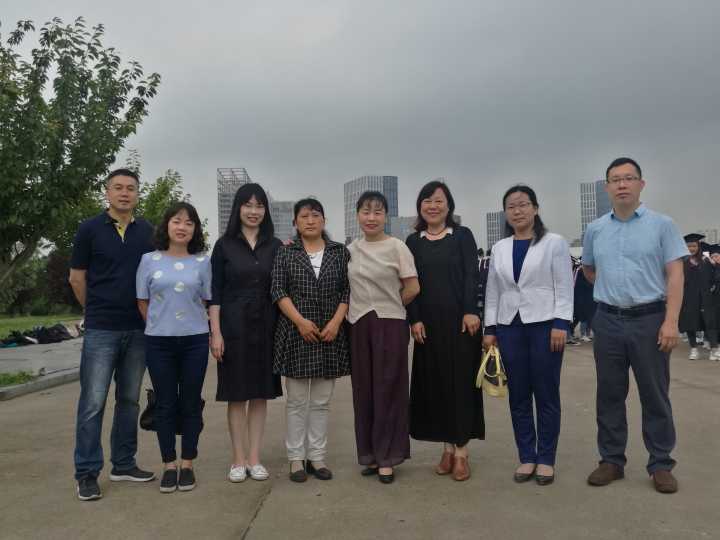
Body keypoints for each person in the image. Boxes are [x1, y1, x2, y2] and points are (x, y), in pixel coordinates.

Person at [582, 157, 688, 494]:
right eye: (615, 179)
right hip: (608, 321)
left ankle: (661, 463)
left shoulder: (662, 225)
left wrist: (670, 321)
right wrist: (612, 291)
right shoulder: (596, 229)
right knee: (609, 394)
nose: (622, 184)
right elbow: (588, 269)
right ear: (607, 187)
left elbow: (675, 274)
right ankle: (611, 459)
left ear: (642, 184)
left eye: (629, 178)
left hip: (649, 320)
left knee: (654, 394)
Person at [69, 168, 156, 501]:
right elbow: (77, 278)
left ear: (137, 194)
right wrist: (94, 310)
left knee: (129, 401)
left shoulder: (147, 232)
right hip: (101, 330)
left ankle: (124, 463)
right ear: (107, 192)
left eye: (130, 188)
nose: (124, 193)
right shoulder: (89, 229)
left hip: (138, 329)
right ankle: (86, 472)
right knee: (93, 402)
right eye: (117, 187)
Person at [483, 185, 573, 486]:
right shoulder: (500, 248)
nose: (517, 211)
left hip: (545, 326)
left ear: (535, 208)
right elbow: (493, 291)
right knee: (519, 395)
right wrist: (490, 328)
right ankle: (526, 456)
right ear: (505, 213)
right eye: (511, 206)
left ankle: (546, 458)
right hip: (510, 326)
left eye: (523, 204)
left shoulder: (553, 242)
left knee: (546, 393)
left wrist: (561, 322)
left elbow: (564, 285)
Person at [406, 180, 484, 482]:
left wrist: (470, 310)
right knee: (437, 385)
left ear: (448, 205)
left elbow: (471, 275)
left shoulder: (462, 236)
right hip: (428, 326)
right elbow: (409, 283)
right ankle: (447, 448)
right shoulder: (413, 241)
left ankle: (462, 452)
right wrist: (414, 319)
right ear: (420, 207)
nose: (433, 206)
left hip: (461, 323)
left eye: (438, 200)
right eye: (427, 201)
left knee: (460, 385)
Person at [271, 198, 351, 482]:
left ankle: (317, 457)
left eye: (315, 215)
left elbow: (347, 290)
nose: (310, 220)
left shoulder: (339, 252)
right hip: (296, 332)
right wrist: (300, 321)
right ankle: (296, 458)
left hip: (330, 332)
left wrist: (336, 322)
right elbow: (278, 290)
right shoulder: (286, 252)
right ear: (295, 222)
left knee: (321, 401)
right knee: (296, 401)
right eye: (304, 216)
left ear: (324, 220)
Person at [209, 184, 283, 483]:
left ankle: (255, 458)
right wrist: (216, 333)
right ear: (238, 208)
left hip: (267, 327)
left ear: (266, 210)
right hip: (233, 328)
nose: (254, 211)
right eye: (248, 205)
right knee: (237, 396)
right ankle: (238, 460)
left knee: (260, 395)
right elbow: (214, 293)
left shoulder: (275, 246)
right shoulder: (224, 245)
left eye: (259, 205)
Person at [136, 202, 211, 493]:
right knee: (165, 403)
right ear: (166, 225)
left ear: (195, 230)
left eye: (189, 223)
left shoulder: (203, 262)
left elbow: (205, 300)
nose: (182, 227)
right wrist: (160, 324)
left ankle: (188, 463)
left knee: (191, 402)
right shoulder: (148, 260)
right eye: (177, 221)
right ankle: (169, 464)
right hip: (159, 342)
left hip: (194, 340)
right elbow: (142, 300)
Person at [347, 191, 420, 484]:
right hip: (357, 324)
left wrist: (391, 304)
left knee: (389, 389)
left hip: (390, 324)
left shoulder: (397, 247)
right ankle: (370, 455)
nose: (371, 217)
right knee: (363, 390)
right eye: (366, 211)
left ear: (386, 216)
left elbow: (413, 287)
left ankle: (388, 456)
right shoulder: (350, 249)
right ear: (357, 215)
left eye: (377, 212)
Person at [679, 234, 718, 360]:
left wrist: (712, 288)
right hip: (689, 297)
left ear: (698, 246)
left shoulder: (706, 261)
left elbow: (714, 277)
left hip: (705, 296)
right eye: (689, 246)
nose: (691, 248)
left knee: (709, 322)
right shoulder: (682, 262)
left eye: (694, 246)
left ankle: (714, 349)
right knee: (690, 322)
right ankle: (694, 349)